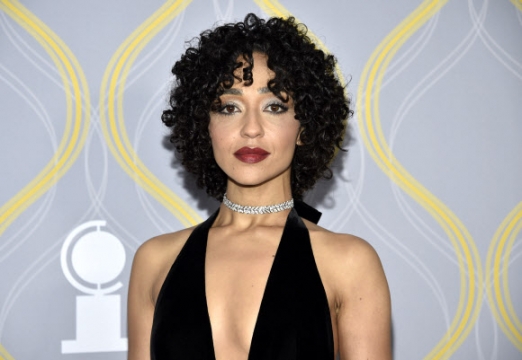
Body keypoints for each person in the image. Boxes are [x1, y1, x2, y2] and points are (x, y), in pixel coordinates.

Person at [127, 13, 391, 360]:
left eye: (275, 106)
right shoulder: (155, 260)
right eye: (229, 107)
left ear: (305, 127)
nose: (251, 128)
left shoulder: (349, 262)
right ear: (204, 126)